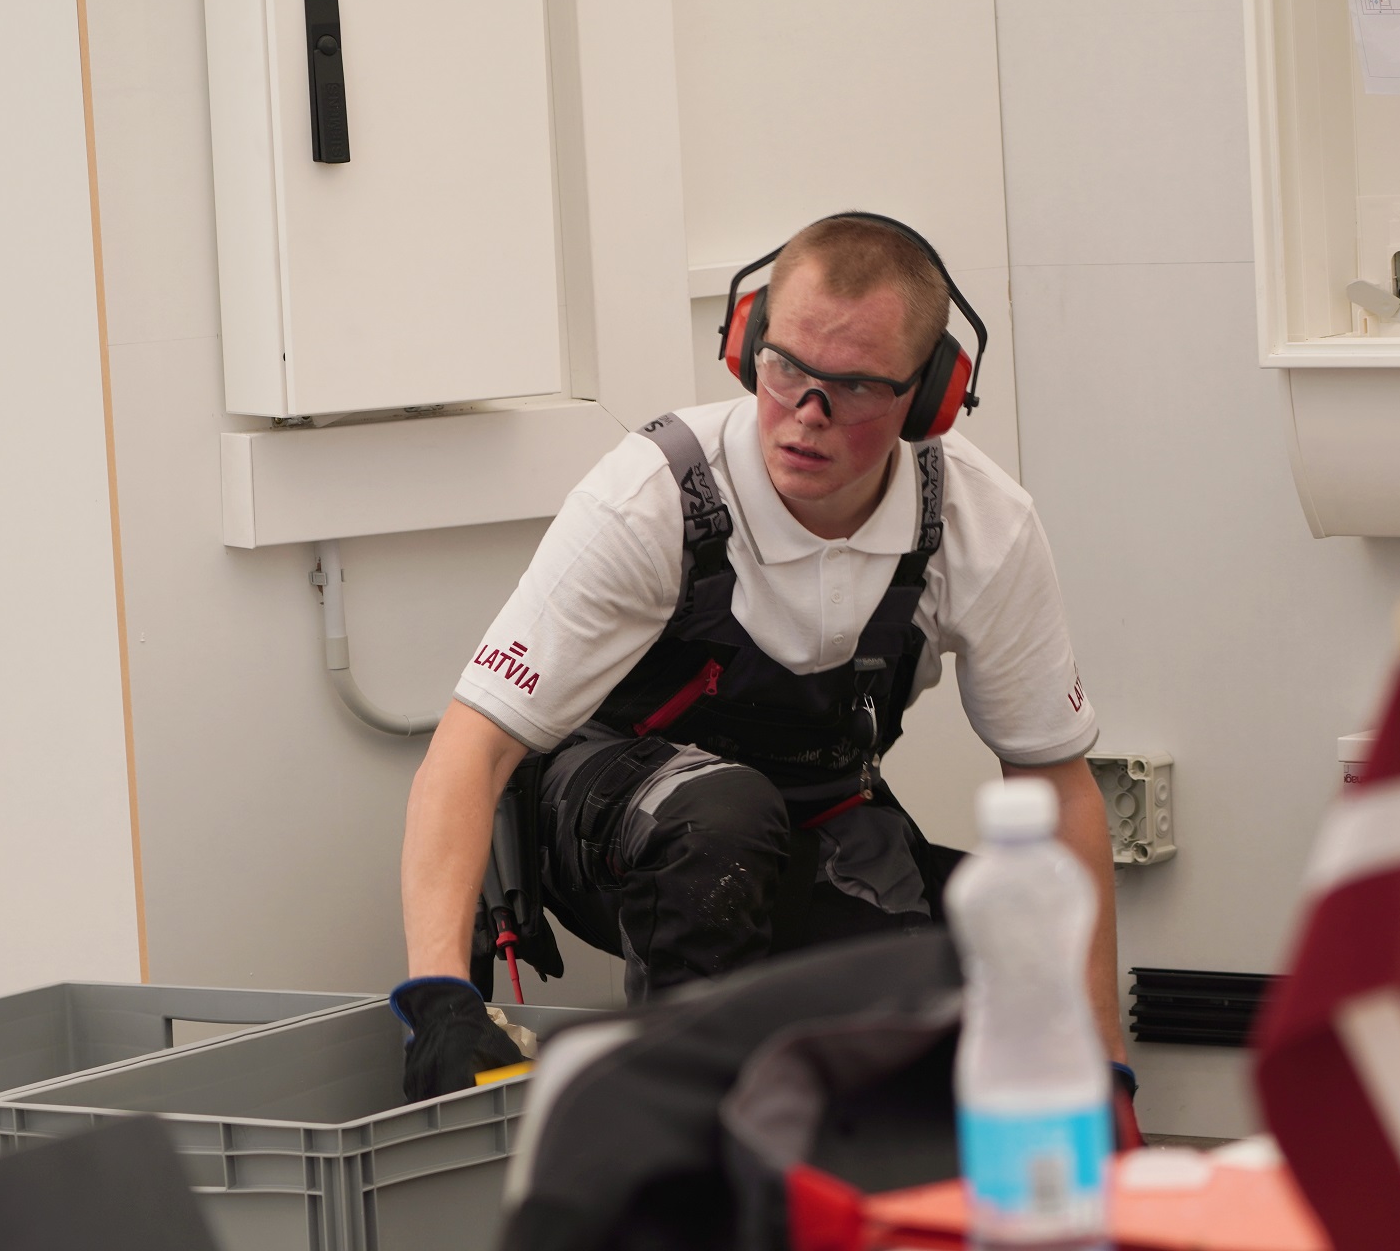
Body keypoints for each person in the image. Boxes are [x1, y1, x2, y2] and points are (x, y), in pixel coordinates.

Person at [391, 213, 1125, 1103]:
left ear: (930, 397)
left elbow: (1056, 788)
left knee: (968, 963)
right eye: (785, 368)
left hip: (810, 819)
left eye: (855, 387)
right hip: (605, 820)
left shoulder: (983, 524)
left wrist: (1103, 1070)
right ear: (747, 344)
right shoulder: (652, 496)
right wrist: (440, 1000)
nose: (807, 416)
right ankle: (673, 1137)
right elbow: (472, 748)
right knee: (721, 818)